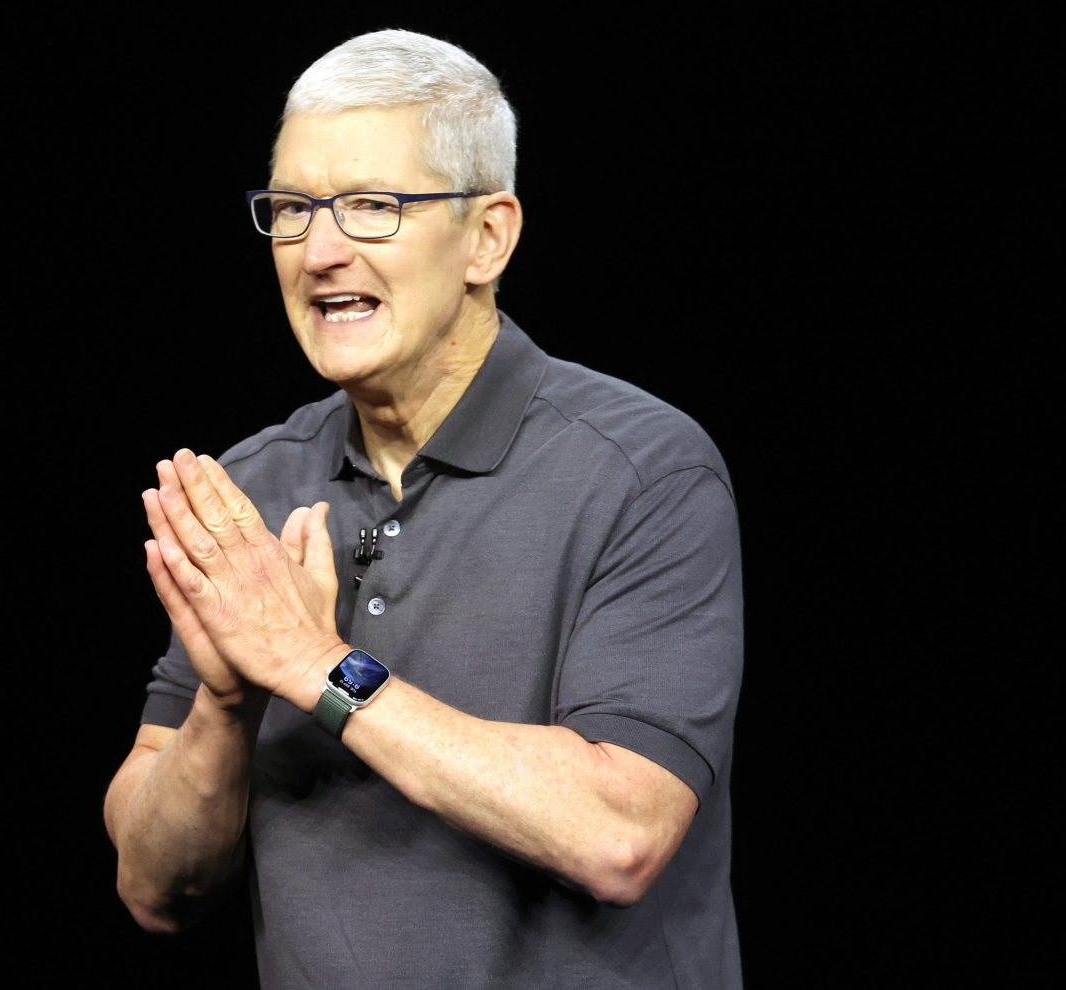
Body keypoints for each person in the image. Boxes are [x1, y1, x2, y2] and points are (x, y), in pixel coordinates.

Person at [104, 28, 743, 989]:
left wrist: (311, 662)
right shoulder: (250, 486)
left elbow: (620, 833)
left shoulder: (643, 469)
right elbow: (155, 888)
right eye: (293, 208)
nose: (319, 252)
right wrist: (227, 705)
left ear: (488, 236)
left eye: (372, 206)